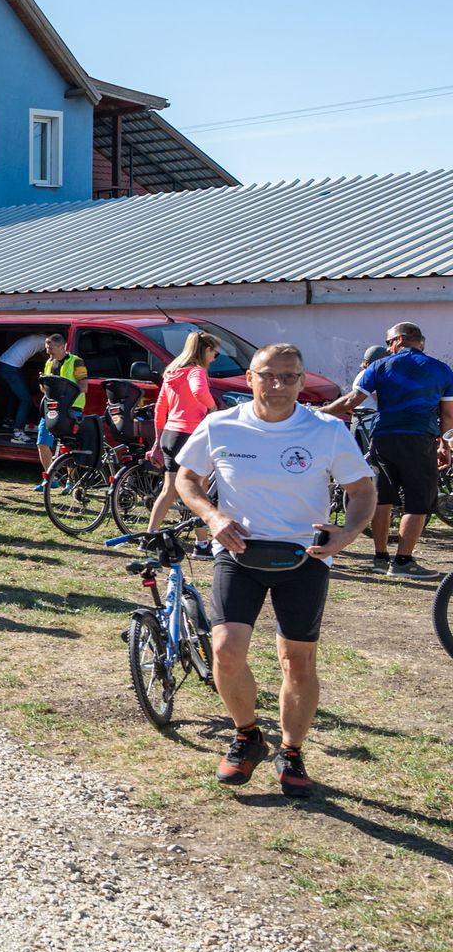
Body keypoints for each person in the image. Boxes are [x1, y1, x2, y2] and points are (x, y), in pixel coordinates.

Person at [178, 344, 375, 796]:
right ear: (250, 377)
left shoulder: (325, 430)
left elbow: (362, 490)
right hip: (238, 552)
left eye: (289, 377)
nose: (279, 385)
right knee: (225, 650)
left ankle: (291, 750)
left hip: (303, 558)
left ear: (302, 381)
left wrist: (346, 534)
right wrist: (212, 516)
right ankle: (247, 734)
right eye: (268, 375)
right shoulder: (220, 425)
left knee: (298, 663)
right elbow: (186, 479)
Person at [329, 322, 453, 577]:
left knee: (382, 498)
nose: (386, 347)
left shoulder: (378, 366)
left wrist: (320, 411)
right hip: (419, 440)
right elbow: (448, 414)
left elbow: (352, 400)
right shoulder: (442, 370)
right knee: (418, 503)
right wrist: (445, 443)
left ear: (399, 340)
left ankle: (380, 557)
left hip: (383, 437)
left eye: (387, 342)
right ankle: (403, 562)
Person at [147, 330, 221, 533]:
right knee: (199, 490)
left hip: (170, 435)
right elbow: (198, 391)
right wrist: (213, 408)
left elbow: (160, 408)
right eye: (215, 354)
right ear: (206, 350)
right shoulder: (196, 371)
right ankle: (202, 543)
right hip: (190, 434)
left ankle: (150, 535)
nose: (214, 359)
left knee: (168, 489)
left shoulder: (171, 373)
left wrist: (157, 440)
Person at [36, 332, 86, 483]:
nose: (47, 352)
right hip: (51, 408)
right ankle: (51, 478)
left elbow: (84, 386)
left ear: (62, 346)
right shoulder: (49, 363)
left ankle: (71, 481)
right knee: (42, 442)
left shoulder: (76, 362)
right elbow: (45, 390)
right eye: (46, 348)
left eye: (50, 348)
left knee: (69, 445)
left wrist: (66, 393)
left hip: (72, 408)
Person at [0, 331, 48, 442]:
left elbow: (42, 353)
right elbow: (48, 355)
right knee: (26, 400)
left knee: (14, 394)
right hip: (10, 368)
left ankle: (8, 420)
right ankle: (18, 433)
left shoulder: (37, 337)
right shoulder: (47, 342)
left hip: (3, 364)